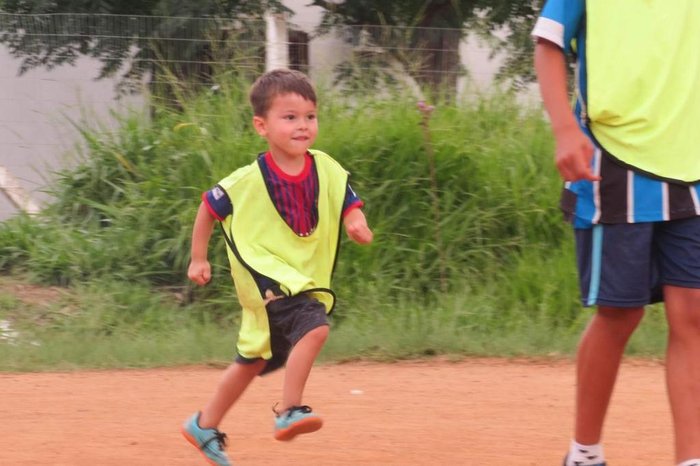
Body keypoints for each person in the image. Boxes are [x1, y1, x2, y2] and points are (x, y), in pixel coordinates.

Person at [532, 2, 700, 466]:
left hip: (692, 162)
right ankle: (584, 454)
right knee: (619, 314)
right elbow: (548, 42)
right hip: (614, 161)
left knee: (694, 312)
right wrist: (565, 128)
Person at [180, 68, 374, 466]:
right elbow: (208, 208)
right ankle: (289, 410)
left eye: (310, 116)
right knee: (315, 326)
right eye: (290, 117)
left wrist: (356, 221)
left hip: (298, 274)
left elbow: (347, 200)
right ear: (261, 126)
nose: (302, 125)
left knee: (253, 359)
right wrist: (199, 257)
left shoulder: (326, 168)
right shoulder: (246, 180)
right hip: (264, 272)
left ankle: (203, 424)